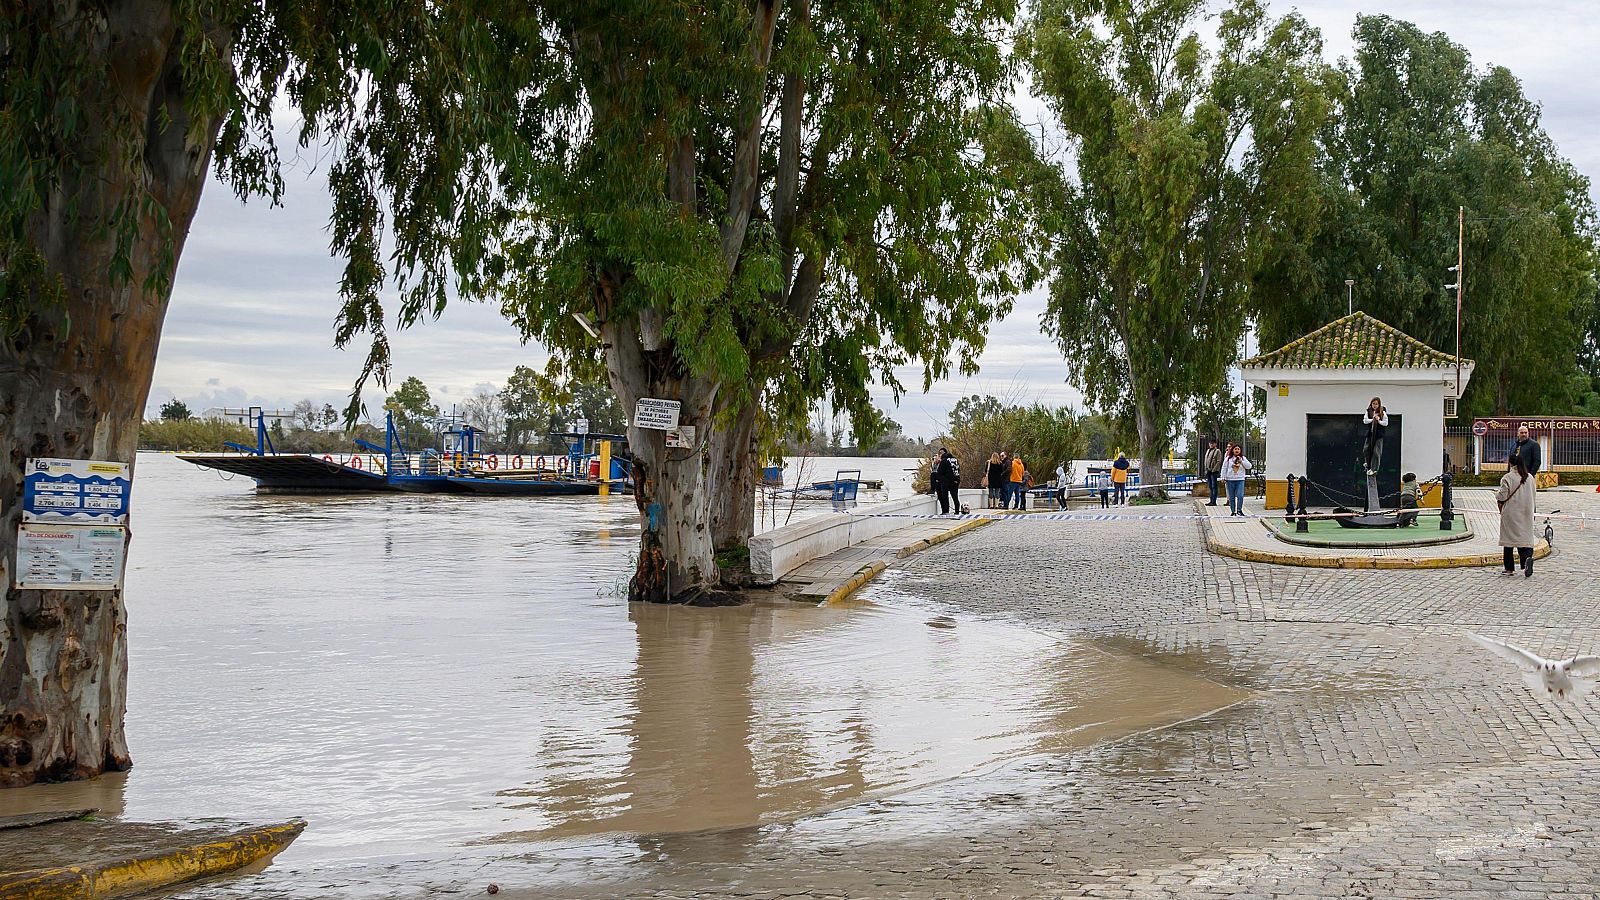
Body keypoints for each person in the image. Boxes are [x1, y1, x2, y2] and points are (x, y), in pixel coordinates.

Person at [1496, 453, 1537, 577]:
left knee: (1509, 540)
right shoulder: (1530, 477)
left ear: (1510, 463)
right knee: (1525, 538)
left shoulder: (1507, 477)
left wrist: (1496, 495)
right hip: (1526, 511)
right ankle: (1526, 560)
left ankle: (1509, 568)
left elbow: (1502, 495)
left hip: (1511, 512)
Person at [1221, 444, 1252, 516]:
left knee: (1240, 495)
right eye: (1235, 449)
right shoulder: (1228, 459)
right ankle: (1233, 511)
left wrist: (1242, 462)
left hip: (1240, 479)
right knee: (1231, 496)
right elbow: (1224, 468)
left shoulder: (1243, 458)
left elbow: (1249, 466)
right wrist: (1223, 477)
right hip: (1230, 479)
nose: (1237, 450)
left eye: (1238, 449)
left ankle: (1239, 510)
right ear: (1233, 450)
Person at [1363, 397, 1387, 476]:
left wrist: (1379, 421)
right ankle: (1368, 463)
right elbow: (1365, 420)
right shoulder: (1368, 411)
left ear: (1379, 404)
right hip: (1370, 433)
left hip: (1379, 434)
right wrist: (1373, 419)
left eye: (1376, 404)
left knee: (1376, 452)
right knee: (1366, 449)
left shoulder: (1382, 412)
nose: (1375, 405)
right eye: (1373, 404)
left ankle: (1374, 469)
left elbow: (1385, 423)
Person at [932, 448, 957, 515]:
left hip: (944, 481)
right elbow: (933, 470)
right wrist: (935, 462)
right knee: (941, 496)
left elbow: (940, 472)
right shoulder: (937, 461)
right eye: (939, 453)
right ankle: (945, 511)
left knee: (945, 496)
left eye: (942, 453)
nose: (940, 454)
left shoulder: (945, 461)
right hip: (940, 481)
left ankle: (946, 511)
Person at [1203, 439, 1223, 506]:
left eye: (1212, 443)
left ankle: (1214, 501)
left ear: (1215, 444)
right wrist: (1206, 469)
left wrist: (1213, 469)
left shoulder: (1217, 451)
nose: (1211, 444)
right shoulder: (1208, 451)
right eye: (1210, 443)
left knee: (1214, 486)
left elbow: (1218, 461)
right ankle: (1211, 500)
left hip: (1214, 471)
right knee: (1210, 486)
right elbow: (1206, 460)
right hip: (1208, 471)